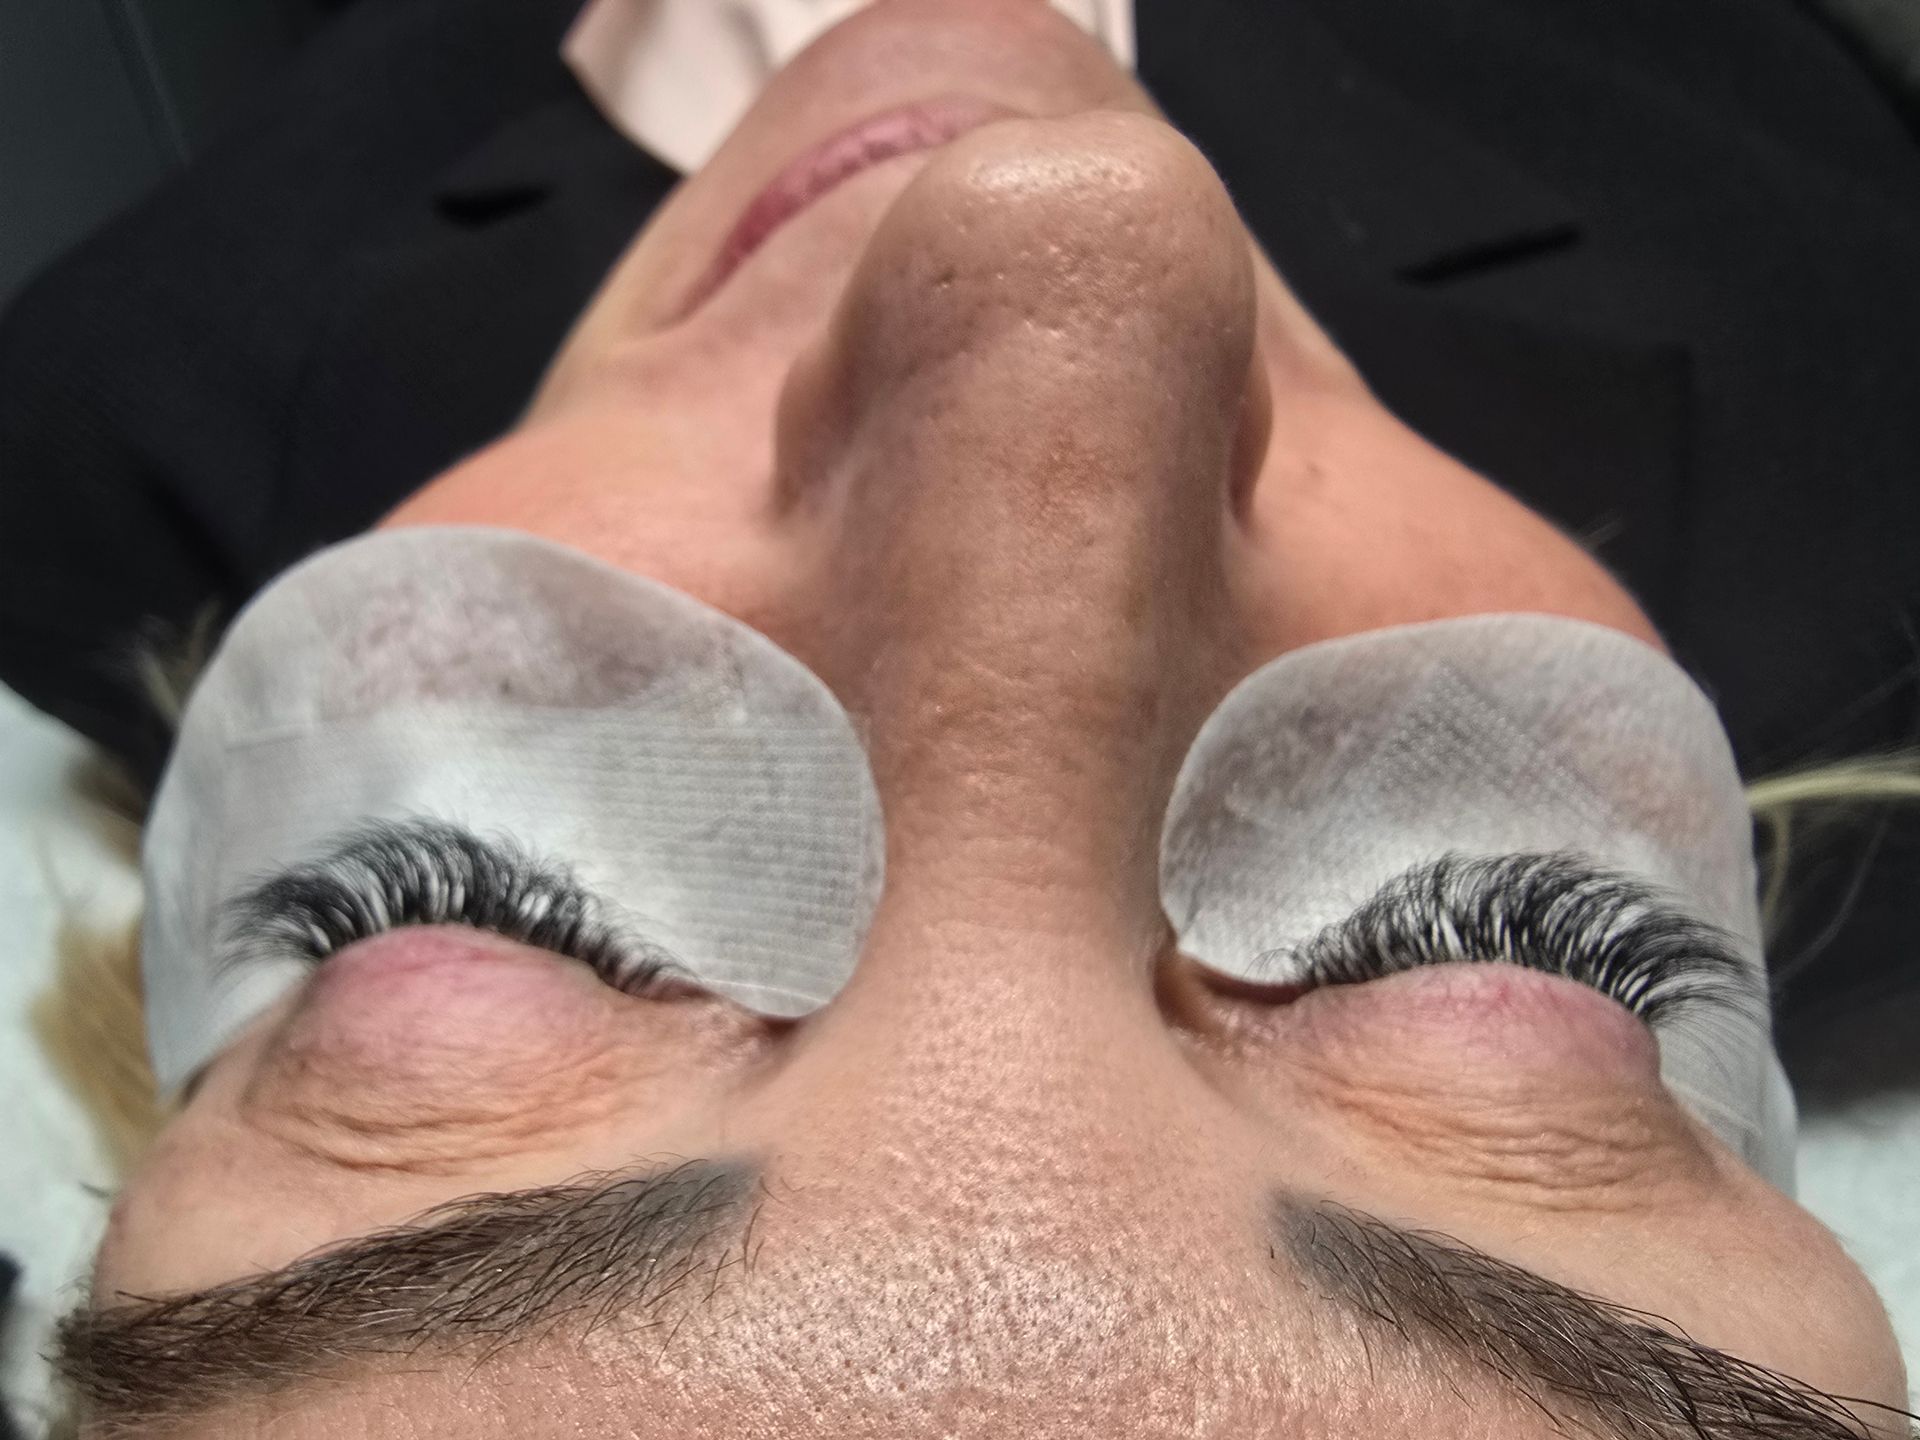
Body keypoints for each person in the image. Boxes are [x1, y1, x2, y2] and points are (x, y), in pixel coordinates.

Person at [4, 0, 1919, 1435]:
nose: (1054, 229)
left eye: (489, 915)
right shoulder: (1859, 388)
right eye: (1493, 944)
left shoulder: (113, 438)